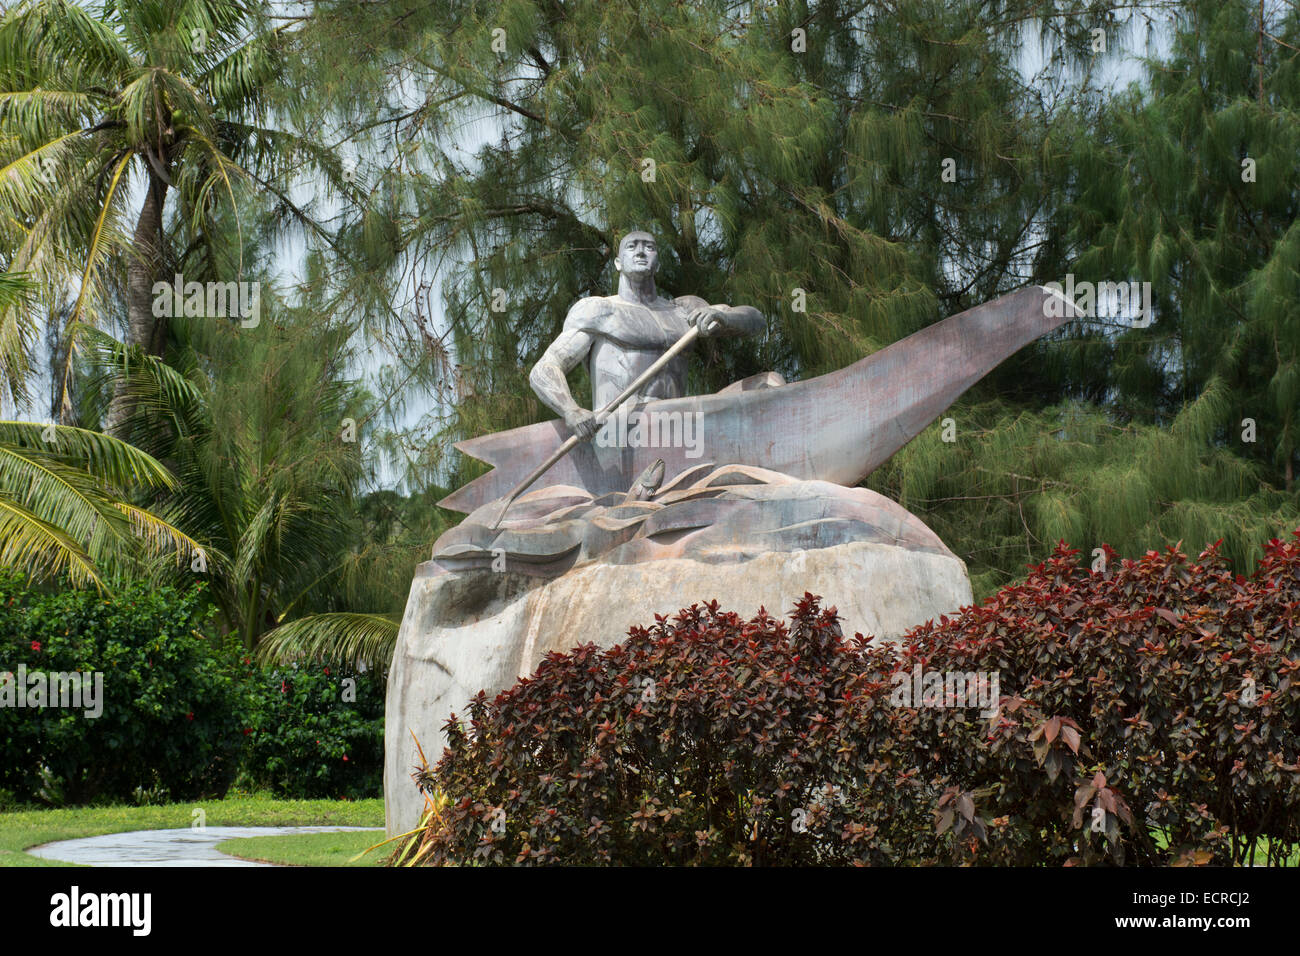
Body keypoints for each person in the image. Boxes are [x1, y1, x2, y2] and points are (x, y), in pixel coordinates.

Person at [529, 231, 764, 439]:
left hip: (678, 428)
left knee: (769, 382)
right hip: (621, 432)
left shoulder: (683, 310)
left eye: (649, 247)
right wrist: (572, 411)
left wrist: (724, 317)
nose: (641, 252)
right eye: (632, 247)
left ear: (658, 264)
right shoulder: (599, 311)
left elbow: (755, 320)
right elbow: (545, 368)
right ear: (618, 263)